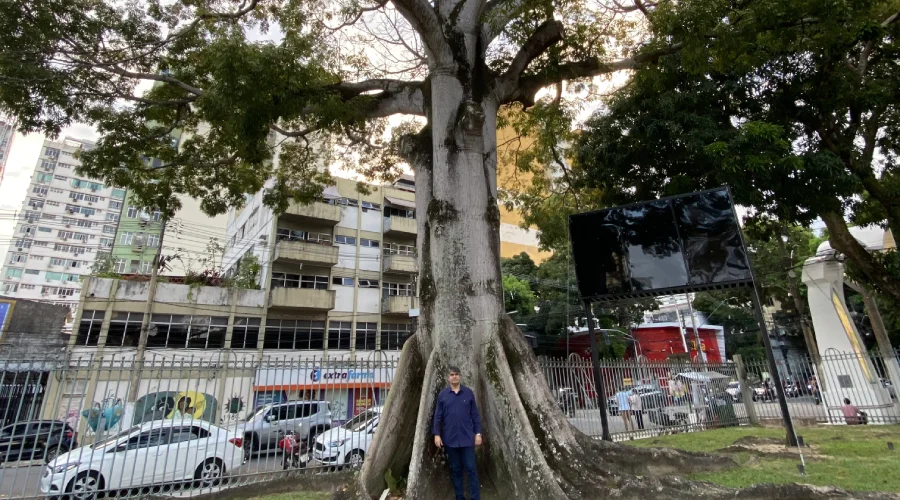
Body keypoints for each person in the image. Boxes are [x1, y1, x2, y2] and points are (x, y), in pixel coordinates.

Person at [433, 366, 482, 500]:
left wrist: (478, 434)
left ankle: (475, 498)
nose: (454, 376)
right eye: (452, 374)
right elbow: (438, 416)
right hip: (450, 440)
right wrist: (437, 434)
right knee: (456, 470)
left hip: (467, 439)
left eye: (456, 374)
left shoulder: (468, 393)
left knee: (471, 469)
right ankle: (459, 497)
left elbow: (475, 415)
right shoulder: (443, 395)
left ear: (460, 376)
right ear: (448, 377)